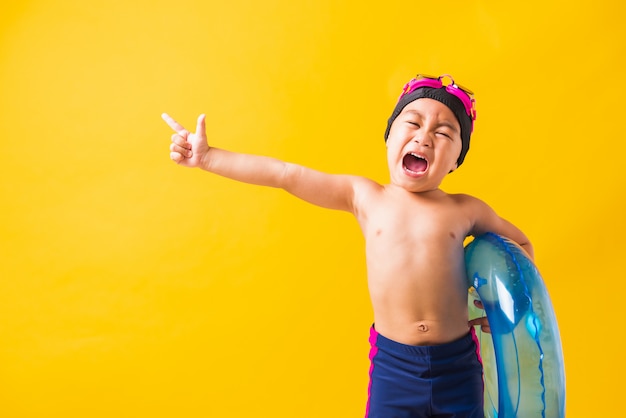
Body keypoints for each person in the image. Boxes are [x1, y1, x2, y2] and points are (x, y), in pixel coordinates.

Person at [162, 74, 533, 418]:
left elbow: (521, 245)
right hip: (396, 365)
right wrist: (209, 158)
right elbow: (286, 175)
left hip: (459, 364)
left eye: (444, 132)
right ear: (389, 137)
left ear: (456, 160)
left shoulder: (465, 209)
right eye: (413, 122)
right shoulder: (365, 196)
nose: (424, 137)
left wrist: (505, 306)